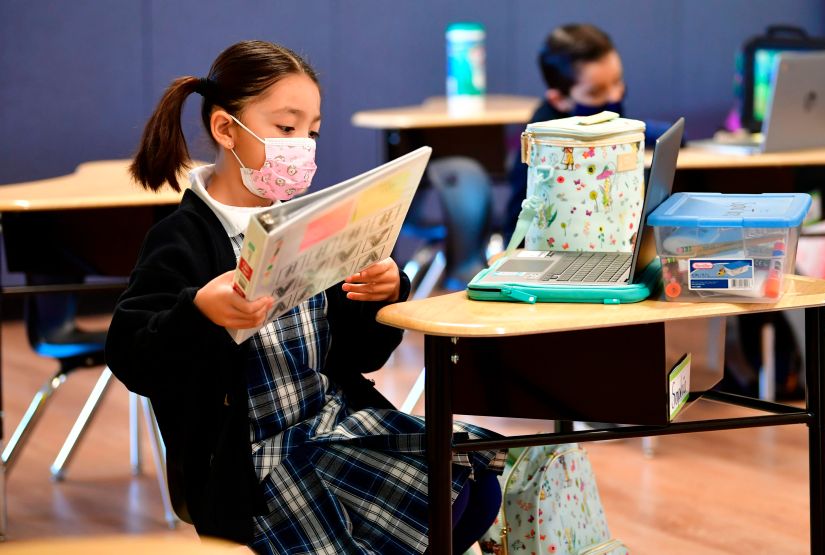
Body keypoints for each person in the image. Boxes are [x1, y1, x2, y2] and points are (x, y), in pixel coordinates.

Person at [106, 40, 503, 555]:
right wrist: (200, 313)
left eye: (312, 131)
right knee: (446, 499)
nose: (303, 145)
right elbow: (131, 354)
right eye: (286, 129)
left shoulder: (311, 220)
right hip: (257, 463)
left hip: (331, 423)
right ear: (226, 129)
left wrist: (378, 293)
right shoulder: (182, 238)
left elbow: (362, 356)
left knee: (476, 481)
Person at [503, 23, 673, 244]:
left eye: (617, 81)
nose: (615, 96)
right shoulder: (545, 140)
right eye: (596, 92)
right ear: (559, 100)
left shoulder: (596, 116)